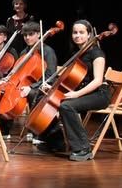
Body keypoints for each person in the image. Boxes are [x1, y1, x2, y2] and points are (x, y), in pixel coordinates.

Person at [34, 20, 110, 162]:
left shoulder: (97, 53)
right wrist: (52, 88)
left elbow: (98, 80)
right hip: (83, 93)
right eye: (75, 32)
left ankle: (83, 149)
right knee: (45, 98)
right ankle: (54, 141)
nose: (77, 35)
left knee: (66, 105)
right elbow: (70, 80)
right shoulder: (76, 54)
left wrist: (76, 94)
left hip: (99, 94)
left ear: (89, 35)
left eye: (81, 32)